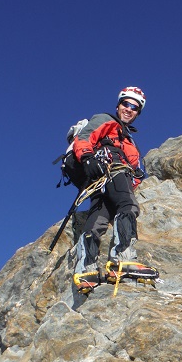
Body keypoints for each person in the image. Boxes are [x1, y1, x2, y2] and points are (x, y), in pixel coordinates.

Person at [72, 87, 146, 275]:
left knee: (98, 219)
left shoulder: (130, 141)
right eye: (126, 104)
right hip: (110, 168)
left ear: (137, 113)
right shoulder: (106, 120)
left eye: (134, 107)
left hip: (102, 180)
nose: (129, 109)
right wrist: (86, 157)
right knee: (128, 205)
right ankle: (123, 257)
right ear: (118, 105)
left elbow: (136, 173)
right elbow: (85, 137)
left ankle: (85, 268)